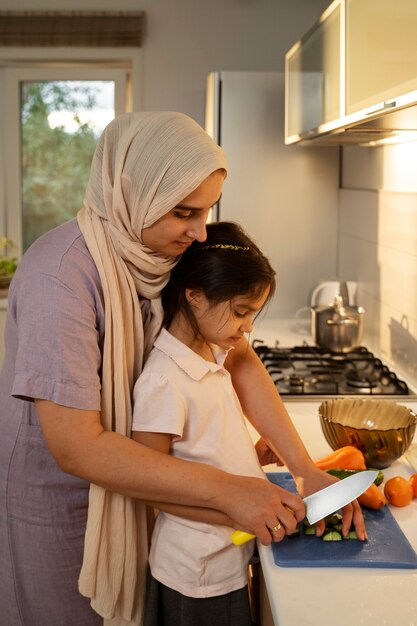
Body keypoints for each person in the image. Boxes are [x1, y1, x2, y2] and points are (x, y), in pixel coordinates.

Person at [0, 112, 366, 626]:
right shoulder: (59, 280)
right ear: (134, 194)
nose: (200, 232)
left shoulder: (158, 252)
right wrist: (228, 489)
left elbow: (238, 356)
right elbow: (76, 446)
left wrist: (306, 471)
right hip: (63, 506)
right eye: (183, 212)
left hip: (146, 486)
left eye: (207, 211)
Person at [131, 221, 278, 626]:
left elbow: (199, 451)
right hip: (194, 573)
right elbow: (149, 484)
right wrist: (235, 512)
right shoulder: (164, 380)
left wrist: (249, 458)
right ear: (194, 296)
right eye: (240, 312)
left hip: (222, 557)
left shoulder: (211, 355)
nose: (247, 327)